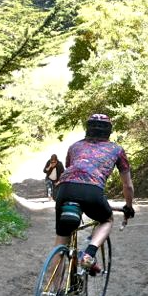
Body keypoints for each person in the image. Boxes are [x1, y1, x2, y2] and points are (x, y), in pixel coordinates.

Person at [55, 114, 135, 269]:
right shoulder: (116, 150)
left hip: (64, 189)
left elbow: (71, 170)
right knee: (107, 220)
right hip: (92, 190)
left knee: (60, 242)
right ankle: (88, 255)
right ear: (109, 131)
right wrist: (128, 206)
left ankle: (53, 290)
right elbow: (128, 186)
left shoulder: (75, 146)